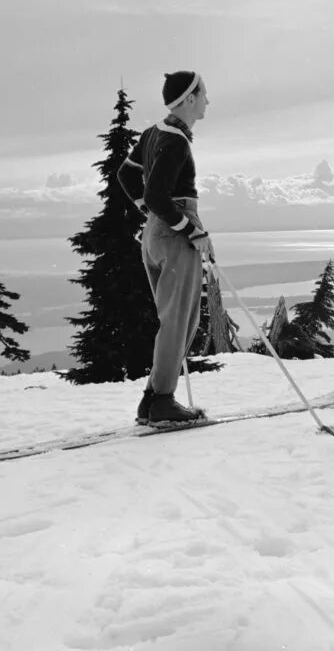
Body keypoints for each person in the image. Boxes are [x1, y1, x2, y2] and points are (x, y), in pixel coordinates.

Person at [118, 71, 215, 426]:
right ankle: (162, 401)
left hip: (155, 234)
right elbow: (160, 193)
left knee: (170, 320)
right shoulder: (175, 140)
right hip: (175, 235)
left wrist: (150, 211)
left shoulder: (154, 133)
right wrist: (190, 229)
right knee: (180, 321)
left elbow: (125, 176)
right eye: (203, 94)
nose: (207, 100)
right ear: (189, 98)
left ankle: (151, 400)